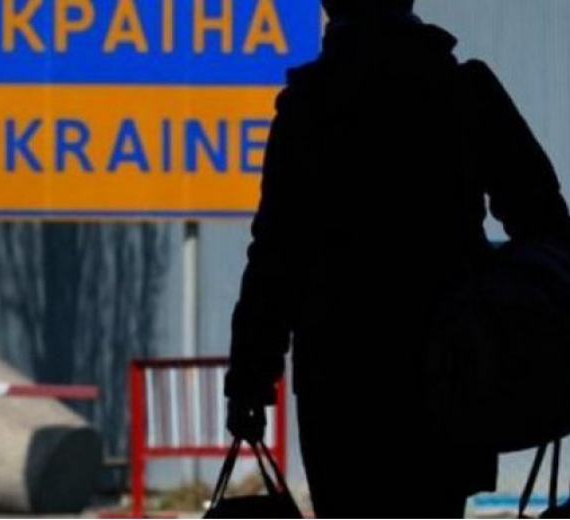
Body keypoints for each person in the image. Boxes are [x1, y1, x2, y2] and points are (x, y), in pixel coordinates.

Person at [224, 0, 570, 517]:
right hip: (452, 371)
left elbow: (277, 257)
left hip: (342, 384)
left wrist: (250, 378)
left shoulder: (308, 108)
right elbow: (544, 222)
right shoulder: (463, 90)